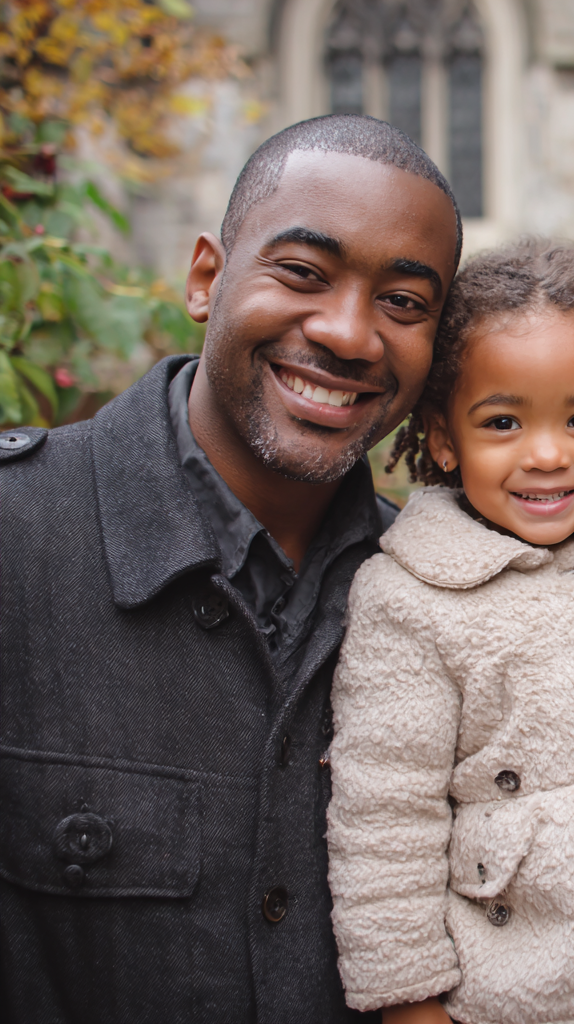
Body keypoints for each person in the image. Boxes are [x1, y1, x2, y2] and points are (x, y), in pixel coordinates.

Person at [0, 114, 460, 1023]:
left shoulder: (442, 597)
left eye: (404, 302)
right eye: (302, 274)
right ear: (207, 278)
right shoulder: (16, 538)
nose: (349, 333)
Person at [326, 240, 574, 1024]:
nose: (548, 455)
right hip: (512, 995)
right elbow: (384, 819)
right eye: (503, 422)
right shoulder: (409, 596)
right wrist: (408, 1004)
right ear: (446, 436)